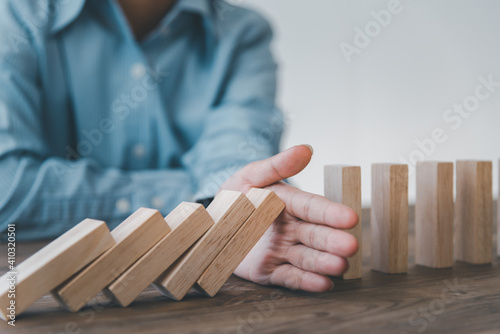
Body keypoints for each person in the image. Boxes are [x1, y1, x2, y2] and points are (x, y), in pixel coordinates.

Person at [0, 0, 358, 292]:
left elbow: (235, 152)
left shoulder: (242, 32)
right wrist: (212, 204)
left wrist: (236, 213)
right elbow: (8, 188)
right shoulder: (15, 15)